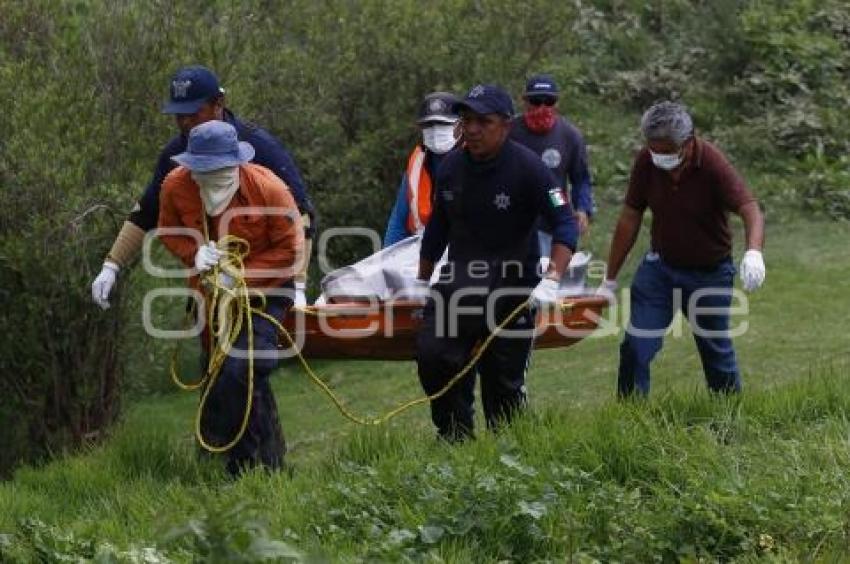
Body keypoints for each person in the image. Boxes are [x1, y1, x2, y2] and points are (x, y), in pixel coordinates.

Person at [415, 84, 579, 441]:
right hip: (458, 284)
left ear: (505, 125)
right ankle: (455, 442)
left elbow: (565, 223)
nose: (471, 129)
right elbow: (437, 228)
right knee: (433, 358)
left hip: (513, 288)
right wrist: (420, 282)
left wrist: (552, 278)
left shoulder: (529, 168)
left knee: (502, 387)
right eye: (467, 120)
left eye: (483, 122)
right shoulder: (451, 167)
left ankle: (509, 459)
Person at [91, 65, 315, 309]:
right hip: (210, 290)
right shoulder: (175, 156)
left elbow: (300, 215)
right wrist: (111, 266)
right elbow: (146, 212)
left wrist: (299, 285)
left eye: (194, 113)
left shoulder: (260, 148)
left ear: (218, 103)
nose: (186, 122)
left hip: (267, 290)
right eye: (179, 116)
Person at [157, 120, 303, 475]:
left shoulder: (270, 189)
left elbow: (291, 252)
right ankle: (265, 468)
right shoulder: (174, 187)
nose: (212, 179)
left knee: (244, 367)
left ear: (236, 163)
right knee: (222, 372)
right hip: (210, 294)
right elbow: (166, 231)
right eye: (203, 172)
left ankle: (238, 466)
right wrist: (193, 254)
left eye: (220, 171)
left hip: (266, 291)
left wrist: (240, 275)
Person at [602, 101, 765, 397]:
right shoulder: (646, 162)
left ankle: (728, 421)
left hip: (709, 273)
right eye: (653, 149)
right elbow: (630, 217)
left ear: (688, 143)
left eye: (666, 151)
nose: (658, 157)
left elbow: (750, 208)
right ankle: (629, 420)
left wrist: (753, 252)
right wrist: (609, 279)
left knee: (717, 354)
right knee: (635, 347)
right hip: (660, 269)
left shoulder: (712, 163)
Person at [510, 74, 594, 252]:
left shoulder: (570, 136)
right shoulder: (509, 133)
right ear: (524, 101)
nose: (542, 107)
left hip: (553, 212)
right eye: (535, 101)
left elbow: (581, 178)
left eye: (548, 101)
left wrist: (582, 208)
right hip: (513, 217)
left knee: (551, 274)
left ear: (557, 103)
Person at [383, 91, 461, 247]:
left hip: (465, 252)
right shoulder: (418, 162)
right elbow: (399, 219)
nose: (435, 130)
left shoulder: (476, 158)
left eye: (443, 124)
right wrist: (385, 258)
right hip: (421, 250)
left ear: (460, 125)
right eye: (428, 125)